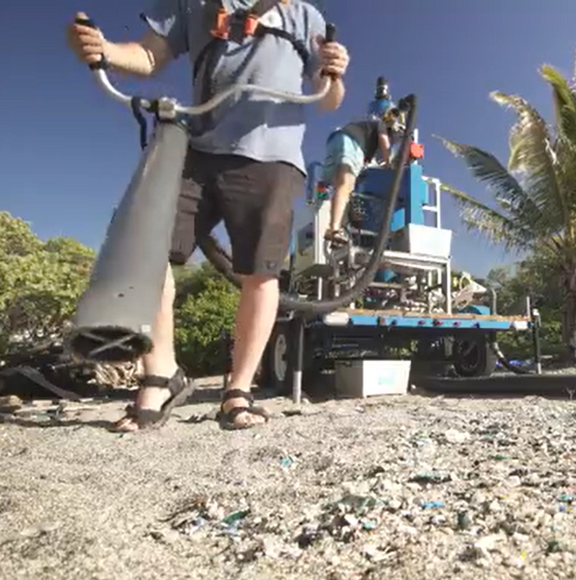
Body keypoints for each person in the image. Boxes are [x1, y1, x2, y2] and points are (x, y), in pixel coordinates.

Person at [65, 0, 350, 432]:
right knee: (147, 252)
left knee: (260, 272)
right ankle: (160, 376)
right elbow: (146, 56)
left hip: (272, 156)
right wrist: (102, 48)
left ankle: (238, 390)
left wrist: (335, 72)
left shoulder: (304, 16)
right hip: (195, 147)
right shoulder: (192, 4)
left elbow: (327, 98)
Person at [322, 107, 406, 247]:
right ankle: (334, 229)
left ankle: (336, 229)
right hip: (352, 142)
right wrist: (390, 166)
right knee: (346, 184)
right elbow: (384, 144)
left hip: (334, 142)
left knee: (341, 188)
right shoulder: (382, 126)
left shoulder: (369, 137)